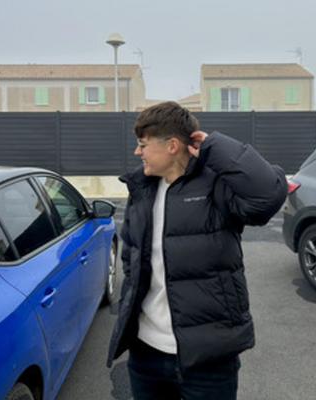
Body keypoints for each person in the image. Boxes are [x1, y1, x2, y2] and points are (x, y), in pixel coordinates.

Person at [107, 101, 287, 400]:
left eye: (143, 144)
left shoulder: (216, 184)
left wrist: (216, 146)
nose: (138, 152)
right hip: (146, 353)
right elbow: (132, 258)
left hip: (209, 359)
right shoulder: (141, 188)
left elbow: (267, 196)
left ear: (172, 146)